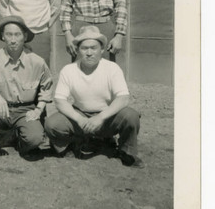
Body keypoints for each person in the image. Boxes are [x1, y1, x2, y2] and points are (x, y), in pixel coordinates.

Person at [44, 25, 144, 168]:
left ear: (102, 50)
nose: (89, 53)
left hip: (106, 116)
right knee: (52, 124)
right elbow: (60, 100)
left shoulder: (112, 68)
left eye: (93, 48)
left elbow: (123, 98)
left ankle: (126, 152)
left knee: (131, 116)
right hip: (80, 115)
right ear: (78, 50)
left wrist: (100, 117)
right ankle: (70, 145)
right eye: (84, 48)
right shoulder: (69, 70)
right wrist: (79, 119)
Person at [0, 15, 53, 163]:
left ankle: (11, 137)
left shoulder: (37, 62)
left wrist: (38, 110)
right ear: (3, 36)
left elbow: (46, 89)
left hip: (25, 111)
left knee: (34, 140)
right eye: (9, 34)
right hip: (1, 111)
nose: (13, 40)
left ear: (25, 36)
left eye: (17, 34)